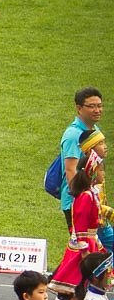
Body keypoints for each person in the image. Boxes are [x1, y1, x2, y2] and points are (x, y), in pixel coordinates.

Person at [49, 138, 106, 300]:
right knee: (86, 286)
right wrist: (85, 253)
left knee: (89, 286)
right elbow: (80, 226)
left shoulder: (90, 193)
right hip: (85, 246)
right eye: (100, 170)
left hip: (91, 243)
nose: (103, 174)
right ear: (92, 172)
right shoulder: (86, 196)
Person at [59, 87, 104, 233]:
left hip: (92, 198)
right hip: (79, 201)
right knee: (85, 246)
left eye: (99, 105)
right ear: (79, 108)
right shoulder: (73, 135)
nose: (97, 110)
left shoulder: (94, 129)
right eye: (91, 106)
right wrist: (81, 200)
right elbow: (70, 169)